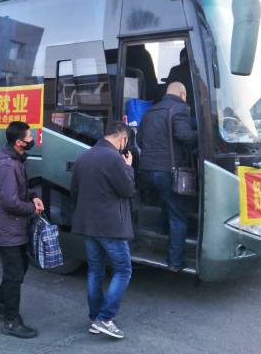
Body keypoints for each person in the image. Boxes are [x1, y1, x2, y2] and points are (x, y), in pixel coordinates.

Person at [71, 121, 135, 339]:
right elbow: (127, 190)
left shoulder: (84, 156)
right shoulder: (114, 159)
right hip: (110, 227)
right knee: (123, 270)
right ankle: (105, 318)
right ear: (122, 139)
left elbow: (74, 191)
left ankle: (95, 317)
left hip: (87, 224)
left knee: (95, 271)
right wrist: (128, 167)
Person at [0, 121, 44, 338]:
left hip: (15, 226)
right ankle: (11, 321)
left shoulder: (16, 160)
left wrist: (33, 197)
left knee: (19, 268)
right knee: (14, 273)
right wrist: (32, 209)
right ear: (19, 142)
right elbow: (10, 201)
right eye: (29, 137)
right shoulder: (7, 166)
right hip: (7, 227)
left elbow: (18, 191)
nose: (32, 140)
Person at [137, 82, 198, 272]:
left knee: (166, 199)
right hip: (168, 171)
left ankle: (162, 230)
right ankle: (175, 261)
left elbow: (139, 140)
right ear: (182, 94)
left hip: (146, 170)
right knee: (178, 216)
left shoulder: (150, 111)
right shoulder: (180, 108)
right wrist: (201, 134)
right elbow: (185, 136)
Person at [166, 48, 194, 114]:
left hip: (176, 109)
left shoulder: (175, 70)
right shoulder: (196, 71)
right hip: (194, 110)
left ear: (183, 58)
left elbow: (167, 89)